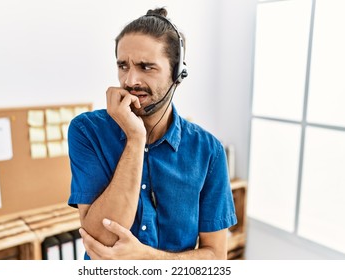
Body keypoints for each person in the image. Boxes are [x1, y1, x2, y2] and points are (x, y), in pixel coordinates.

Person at [67, 7, 237, 260]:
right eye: (123, 66)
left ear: (177, 73)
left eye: (146, 67)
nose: (130, 80)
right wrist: (136, 139)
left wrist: (147, 258)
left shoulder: (208, 151)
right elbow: (101, 239)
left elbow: (216, 256)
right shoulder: (86, 130)